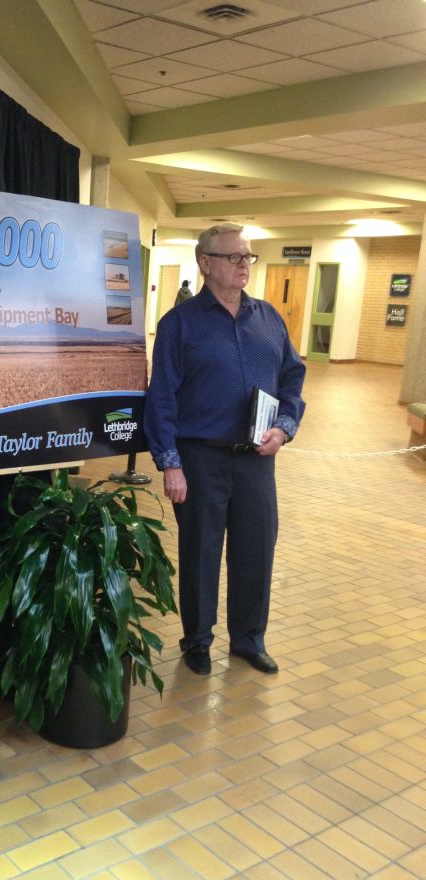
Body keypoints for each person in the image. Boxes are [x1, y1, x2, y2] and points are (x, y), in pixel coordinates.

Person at [144, 222, 305, 678]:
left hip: (256, 459)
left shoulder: (269, 318)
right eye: (234, 257)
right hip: (200, 457)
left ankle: (249, 640)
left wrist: (285, 429)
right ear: (205, 263)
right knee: (200, 551)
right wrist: (170, 463)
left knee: (257, 550)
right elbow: (162, 397)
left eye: (247, 257)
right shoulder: (180, 324)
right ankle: (196, 639)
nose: (243, 266)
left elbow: (292, 378)